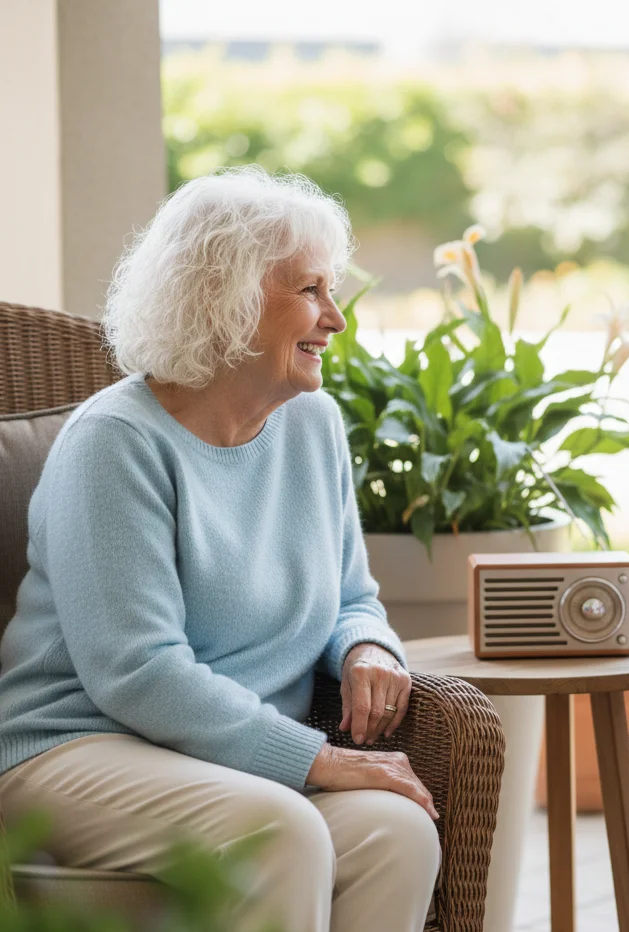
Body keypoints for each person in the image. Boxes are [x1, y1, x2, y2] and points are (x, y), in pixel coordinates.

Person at [0, 166, 441, 932]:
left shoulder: (314, 424)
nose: (336, 318)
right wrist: (317, 759)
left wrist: (370, 648)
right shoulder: (115, 443)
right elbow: (135, 671)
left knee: (394, 832)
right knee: (280, 829)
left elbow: (350, 596)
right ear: (226, 300)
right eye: (310, 291)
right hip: (76, 749)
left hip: (226, 762)